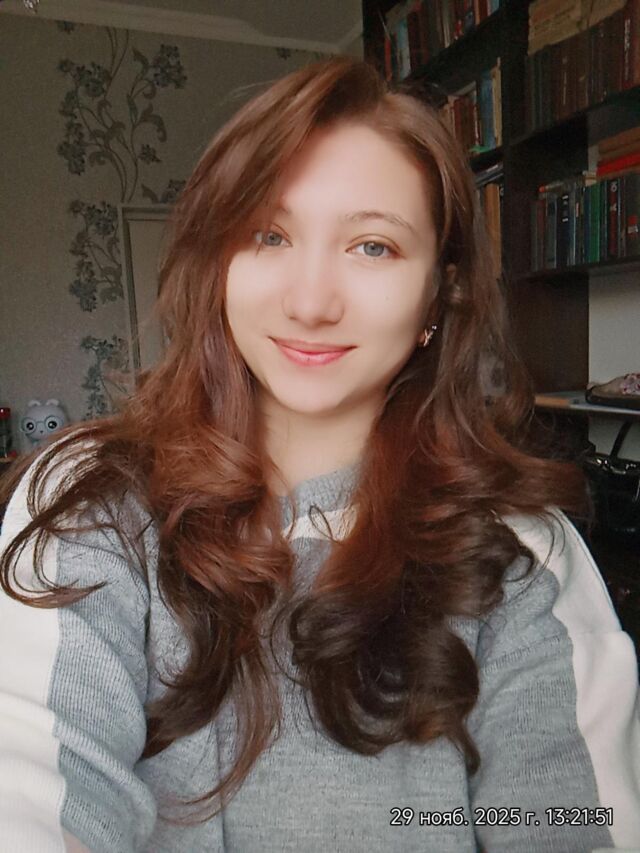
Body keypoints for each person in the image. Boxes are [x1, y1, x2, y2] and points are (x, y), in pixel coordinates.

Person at [0, 55, 638, 853]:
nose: (309, 302)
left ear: (438, 292)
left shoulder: (522, 552)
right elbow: (34, 788)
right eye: (268, 234)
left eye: (372, 246)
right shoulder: (89, 501)